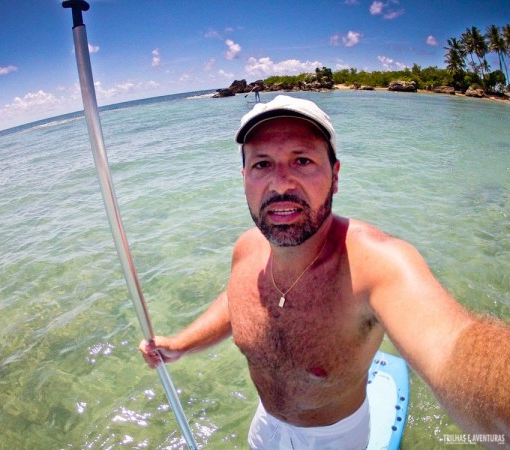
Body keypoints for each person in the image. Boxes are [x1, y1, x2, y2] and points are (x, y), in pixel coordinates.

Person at [139, 95, 510, 449]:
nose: (281, 183)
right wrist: (181, 344)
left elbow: (452, 347)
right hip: (265, 425)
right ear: (244, 177)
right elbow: (238, 297)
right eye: (262, 164)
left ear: (335, 176)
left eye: (302, 161)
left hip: (334, 438)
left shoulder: (377, 265)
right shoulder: (246, 249)